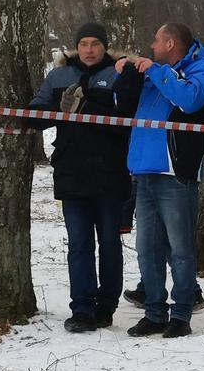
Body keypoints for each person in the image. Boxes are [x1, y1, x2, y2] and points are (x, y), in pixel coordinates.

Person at [30, 24, 139, 333]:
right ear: (75, 47)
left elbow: (124, 121)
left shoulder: (119, 73)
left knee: (109, 242)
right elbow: (33, 115)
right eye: (83, 44)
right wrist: (57, 108)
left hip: (111, 174)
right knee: (78, 244)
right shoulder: (59, 76)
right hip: (72, 174)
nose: (89, 49)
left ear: (104, 46)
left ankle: (106, 307)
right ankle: (82, 308)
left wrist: (85, 106)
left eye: (95, 43)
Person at [120, 23, 204, 336]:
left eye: (156, 40)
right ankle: (155, 312)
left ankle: (182, 314)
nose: (152, 44)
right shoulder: (155, 70)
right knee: (147, 248)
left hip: (175, 174)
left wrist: (157, 72)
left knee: (180, 249)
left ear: (170, 43)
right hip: (144, 172)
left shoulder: (200, 69)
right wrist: (126, 74)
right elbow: (127, 106)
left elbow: (190, 100)